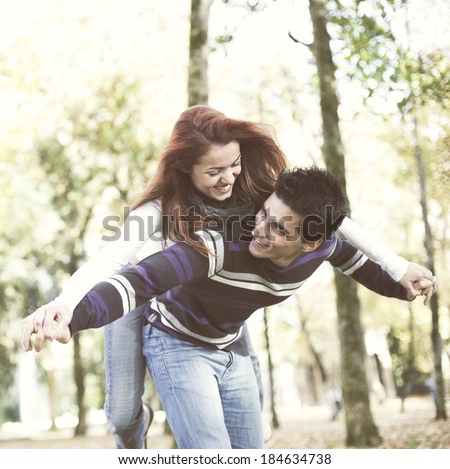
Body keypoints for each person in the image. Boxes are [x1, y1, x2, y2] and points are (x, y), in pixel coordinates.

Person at [23, 167, 438, 449]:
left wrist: (407, 286)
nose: (261, 228)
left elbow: (368, 270)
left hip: (229, 346)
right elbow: (141, 280)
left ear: (311, 242)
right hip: (175, 342)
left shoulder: (324, 247)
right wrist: (72, 317)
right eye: (265, 213)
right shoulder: (219, 245)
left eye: (279, 228)